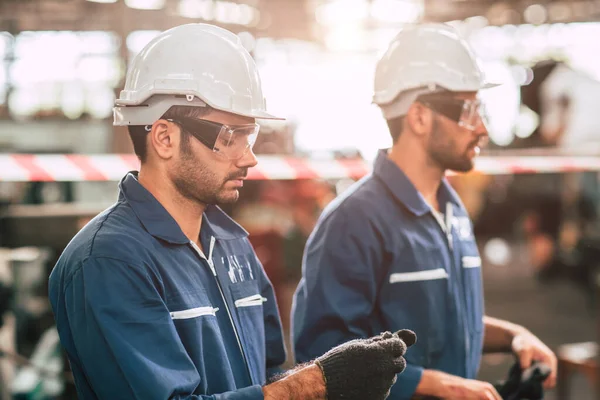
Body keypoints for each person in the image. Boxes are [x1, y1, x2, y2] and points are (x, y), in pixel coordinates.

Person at [48, 23, 415, 400]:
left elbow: (269, 378)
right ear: (164, 137)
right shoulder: (109, 262)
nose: (250, 157)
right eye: (229, 136)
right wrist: (316, 382)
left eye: (249, 135)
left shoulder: (232, 245)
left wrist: (337, 371)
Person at [292, 23, 557, 400]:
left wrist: (514, 336)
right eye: (468, 111)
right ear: (418, 117)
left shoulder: (452, 210)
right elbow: (325, 358)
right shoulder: (354, 222)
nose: (482, 128)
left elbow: (446, 320)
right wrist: (438, 385)